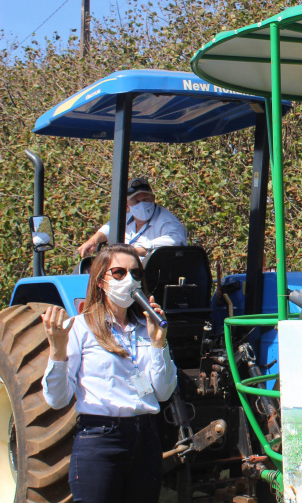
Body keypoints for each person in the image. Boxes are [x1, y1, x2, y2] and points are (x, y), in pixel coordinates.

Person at [41, 244, 177, 503]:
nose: (129, 280)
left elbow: (163, 392)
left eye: (136, 274)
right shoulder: (80, 328)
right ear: (101, 280)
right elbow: (57, 400)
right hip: (100, 439)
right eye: (118, 273)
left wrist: (159, 344)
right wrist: (57, 351)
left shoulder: (145, 328)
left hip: (145, 439)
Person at [78, 177, 187, 258]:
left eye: (145, 199)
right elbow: (109, 228)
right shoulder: (126, 218)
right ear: (127, 206)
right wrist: (93, 240)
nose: (142, 205)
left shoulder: (167, 221)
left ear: (153, 199)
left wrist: (141, 249)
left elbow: (176, 240)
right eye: (136, 201)